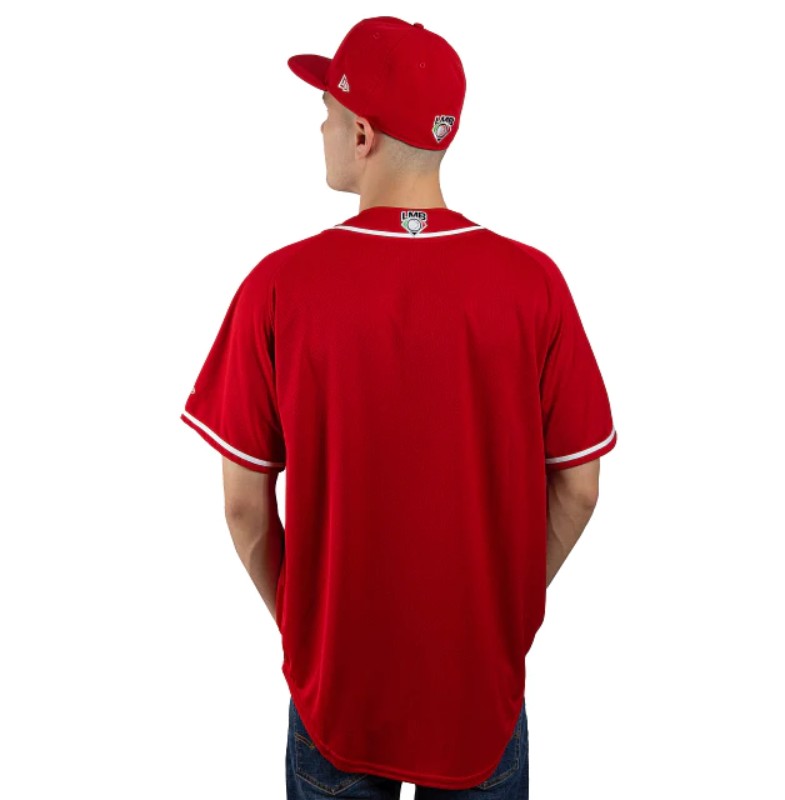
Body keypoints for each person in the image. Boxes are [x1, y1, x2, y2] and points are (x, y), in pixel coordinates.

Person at [180, 15, 617, 800]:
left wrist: (309, 631)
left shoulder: (279, 287)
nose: (319, 127)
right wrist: (504, 612)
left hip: (338, 695)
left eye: (327, 111)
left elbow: (244, 507)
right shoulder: (534, 285)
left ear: (362, 136)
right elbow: (579, 488)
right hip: (479, 691)